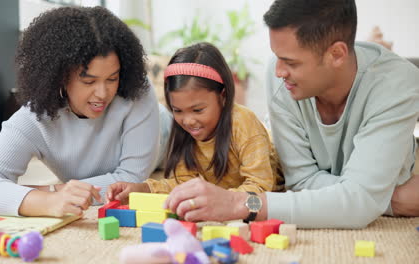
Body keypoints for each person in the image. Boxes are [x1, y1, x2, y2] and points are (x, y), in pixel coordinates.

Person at [164, 0, 419, 228]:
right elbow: (300, 183)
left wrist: (238, 203)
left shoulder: (398, 83)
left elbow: (358, 206)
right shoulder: (281, 80)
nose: (278, 71)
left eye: (291, 62)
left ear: (337, 54)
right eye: (276, 57)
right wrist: (375, 198)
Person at [0, 6, 170, 217]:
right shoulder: (35, 118)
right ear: (60, 76)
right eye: (89, 81)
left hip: (167, 138)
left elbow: (132, 180)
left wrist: (53, 189)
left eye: (112, 78)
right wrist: (48, 200)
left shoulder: (136, 90)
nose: (102, 93)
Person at [107, 42, 284, 212]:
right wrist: (142, 188)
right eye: (178, 110)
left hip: (267, 177)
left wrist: (221, 200)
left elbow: (261, 186)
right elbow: (183, 182)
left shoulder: (243, 123)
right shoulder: (185, 130)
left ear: (222, 95)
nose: (188, 120)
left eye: (198, 110)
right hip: (225, 192)